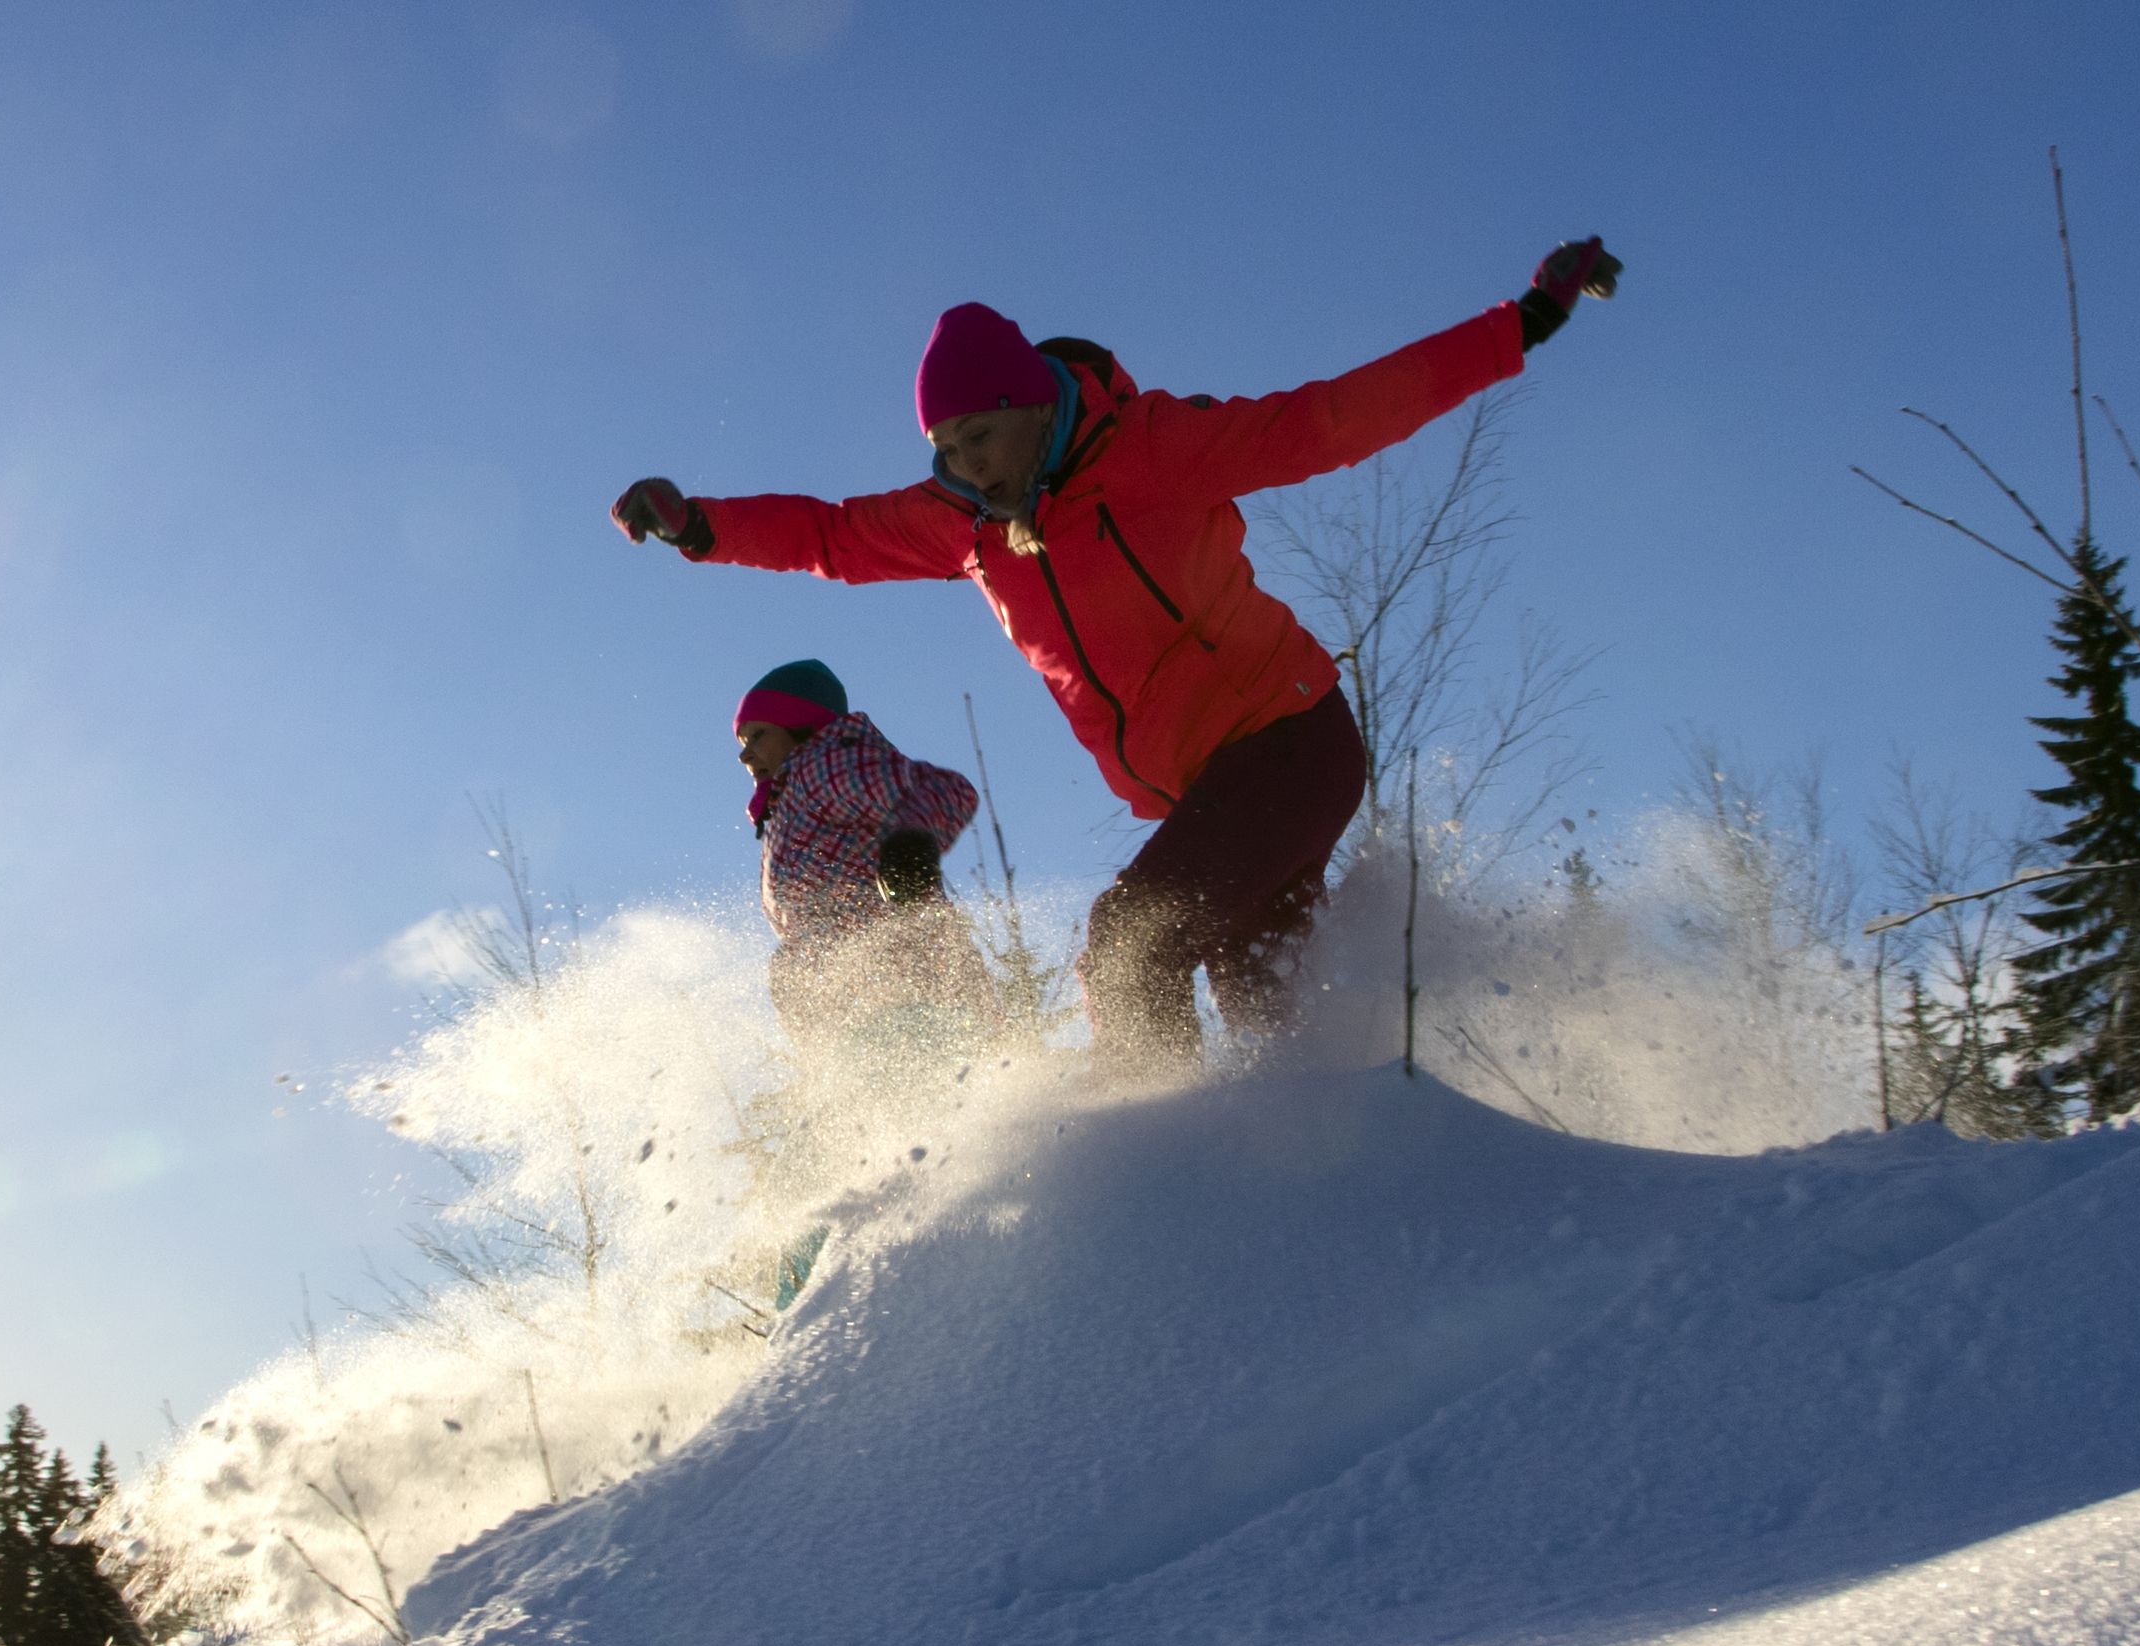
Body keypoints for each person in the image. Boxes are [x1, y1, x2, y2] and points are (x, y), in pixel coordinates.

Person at [615, 240, 1622, 1076]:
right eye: (947, 448)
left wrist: (1521, 321)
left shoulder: (1152, 449)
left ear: (1034, 405)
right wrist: (701, 523)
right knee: (1281, 1038)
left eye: (980, 436)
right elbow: (830, 535)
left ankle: (1152, 1200)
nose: (967, 465)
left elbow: (1333, 420)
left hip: (1290, 742)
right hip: (1207, 795)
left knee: (1128, 947)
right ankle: (1367, 1201)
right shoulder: (959, 524)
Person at [730, 658, 992, 1063]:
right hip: (855, 1002)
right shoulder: (787, 803)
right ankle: (840, 1085)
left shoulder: (824, 766)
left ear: (800, 723)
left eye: (758, 735)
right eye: (742, 743)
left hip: (907, 972)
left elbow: (944, 789)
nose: (746, 756)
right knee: (792, 968)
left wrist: (910, 844)